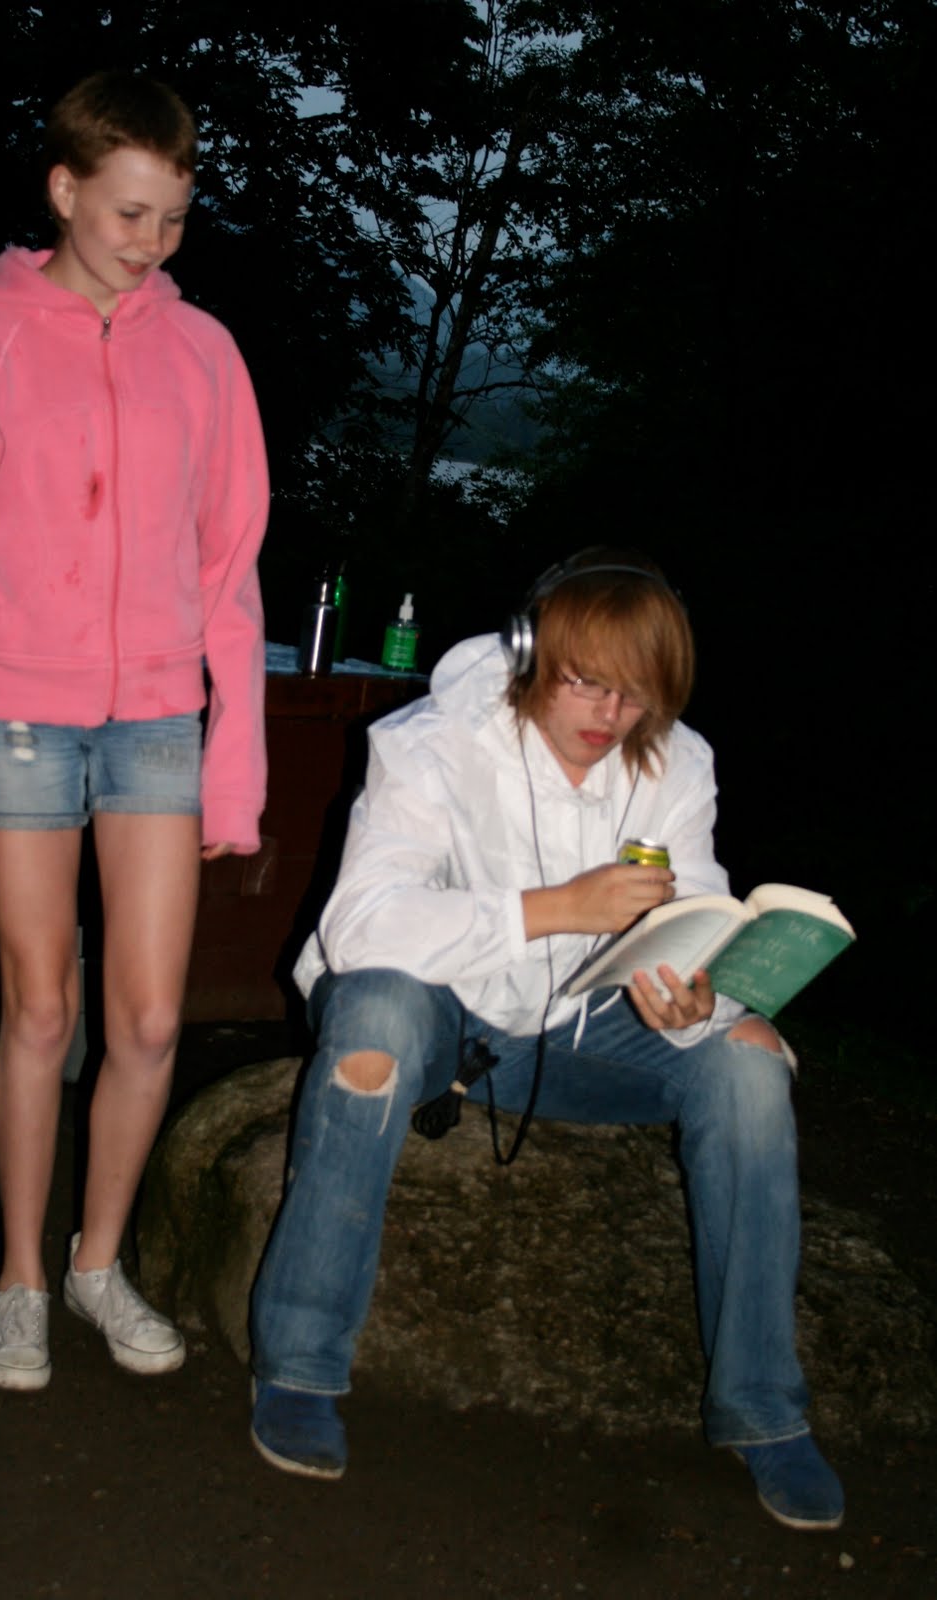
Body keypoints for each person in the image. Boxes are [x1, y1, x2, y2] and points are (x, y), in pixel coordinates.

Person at [248, 549, 844, 1532]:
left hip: (582, 1029)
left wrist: (695, 997)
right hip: (444, 1017)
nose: (611, 714)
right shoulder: (431, 742)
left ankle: (763, 1412)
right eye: (588, 682)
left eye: (636, 694)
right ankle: (300, 1367)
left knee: (748, 1061)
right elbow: (359, 926)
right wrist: (553, 908)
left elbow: (694, 908)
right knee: (374, 1019)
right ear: (532, 654)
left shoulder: (677, 761)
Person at [0, 71, 269, 1391]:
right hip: (21, 714)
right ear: (63, 188)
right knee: (41, 1011)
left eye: (173, 217)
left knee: (146, 1020)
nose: (151, 242)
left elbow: (230, 572)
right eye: (128, 213)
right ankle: (20, 1283)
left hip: (156, 714)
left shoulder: (202, 352)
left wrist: (234, 779)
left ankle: (97, 1263)